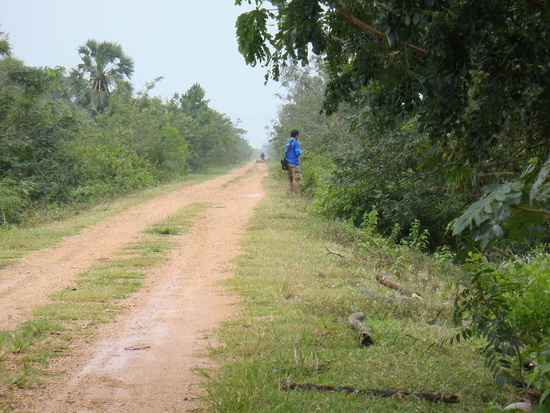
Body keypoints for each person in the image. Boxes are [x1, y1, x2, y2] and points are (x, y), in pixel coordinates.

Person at [284, 129, 303, 198]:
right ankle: (297, 195)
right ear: (296, 135)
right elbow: (297, 153)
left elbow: (285, 151)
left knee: (291, 180)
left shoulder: (287, 142)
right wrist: (301, 151)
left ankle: (290, 195)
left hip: (287, 163)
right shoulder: (296, 142)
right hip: (294, 163)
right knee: (295, 179)